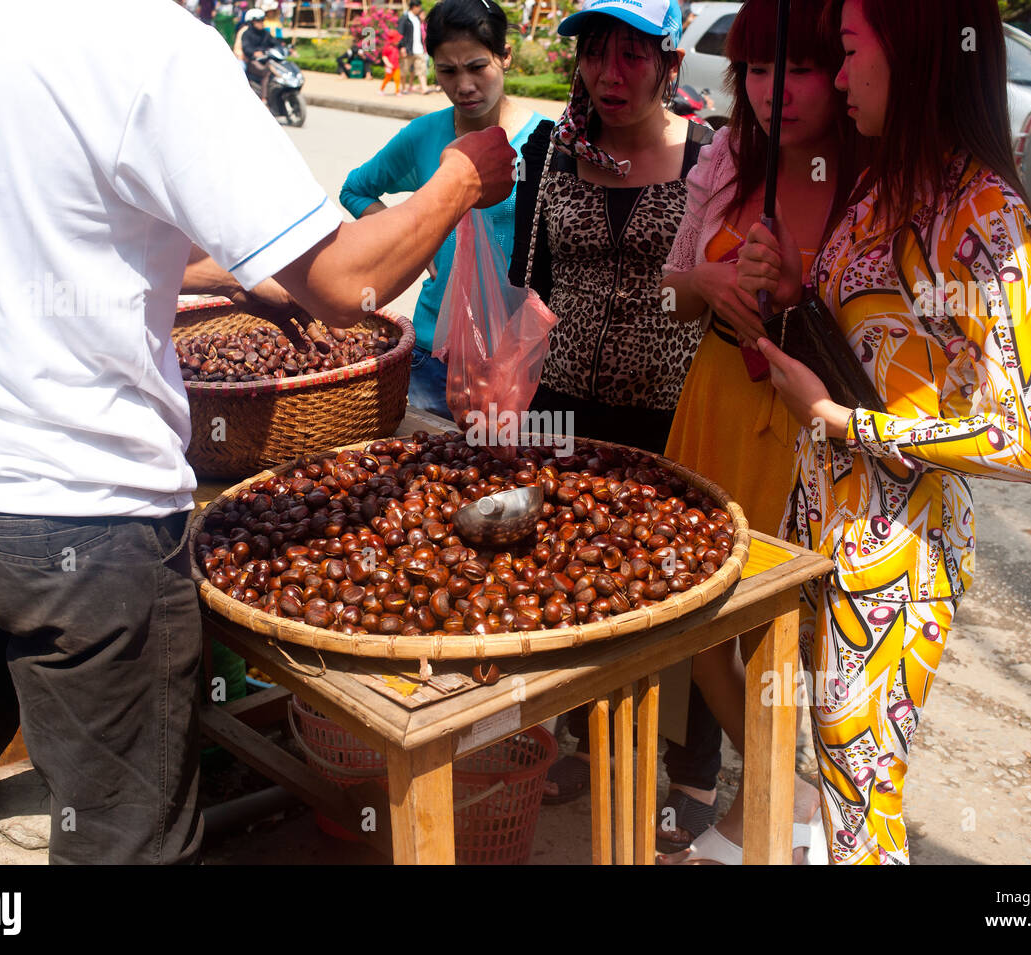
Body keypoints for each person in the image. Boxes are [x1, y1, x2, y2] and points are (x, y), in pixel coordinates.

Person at [0, 0, 514, 866]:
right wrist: (464, 177)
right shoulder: (143, 40)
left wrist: (256, 264)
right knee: (123, 833)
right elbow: (347, 280)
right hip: (81, 520)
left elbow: (59, 221)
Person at [736, 0, 1031, 864]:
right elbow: (890, 351)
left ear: (913, 56)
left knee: (861, 798)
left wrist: (845, 421)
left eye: (846, 53)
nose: (837, 78)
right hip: (823, 523)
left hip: (896, 554)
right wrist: (802, 290)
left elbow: (1028, 434)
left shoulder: (987, 217)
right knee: (837, 778)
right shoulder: (888, 182)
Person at [656, 0, 861, 864]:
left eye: (802, 68)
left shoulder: (867, 172)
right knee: (697, 614)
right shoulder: (732, 153)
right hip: (717, 394)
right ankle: (780, 789)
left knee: (780, 624)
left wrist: (792, 291)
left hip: (804, 410)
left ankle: (758, 808)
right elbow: (672, 290)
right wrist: (707, 277)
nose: (776, 90)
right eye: (759, 71)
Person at [507, 0, 718, 805]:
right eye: (596, 53)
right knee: (566, 572)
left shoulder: (711, 154)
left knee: (682, 585)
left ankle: (692, 779)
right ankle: (585, 748)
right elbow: (532, 282)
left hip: (672, 409)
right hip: (561, 407)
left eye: (634, 55)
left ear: (669, 63)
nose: (611, 74)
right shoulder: (549, 147)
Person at [342, 0, 545, 419]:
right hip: (435, 352)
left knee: (507, 474)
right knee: (434, 470)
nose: (464, 85)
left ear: (505, 56)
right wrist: (418, 244)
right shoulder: (423, 136)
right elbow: (356, 189)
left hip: (519, 355)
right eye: (448, 71)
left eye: (477, 66)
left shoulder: (545, 142)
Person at [236, 8, 277, 101]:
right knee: (266, 71)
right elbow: (246, 48)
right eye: (258, 20)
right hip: (250, 61)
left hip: (265, 60)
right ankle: (264, 98)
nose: (261, 22)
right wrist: (255, 53)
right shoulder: (246, 33)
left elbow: (274, 42)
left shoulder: (265, 33)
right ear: (251, 21)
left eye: (262, 20)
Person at [400, 0, 430, 95]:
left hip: (419, 49)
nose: (420, 9)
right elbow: (400, 33)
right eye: (418, 7)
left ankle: (424, 88)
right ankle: (403, 87)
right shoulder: (405, 18)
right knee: (404, 70)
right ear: (414, 7)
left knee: (421, 69)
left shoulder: (417, 19)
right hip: (408, 48)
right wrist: (402, 47)